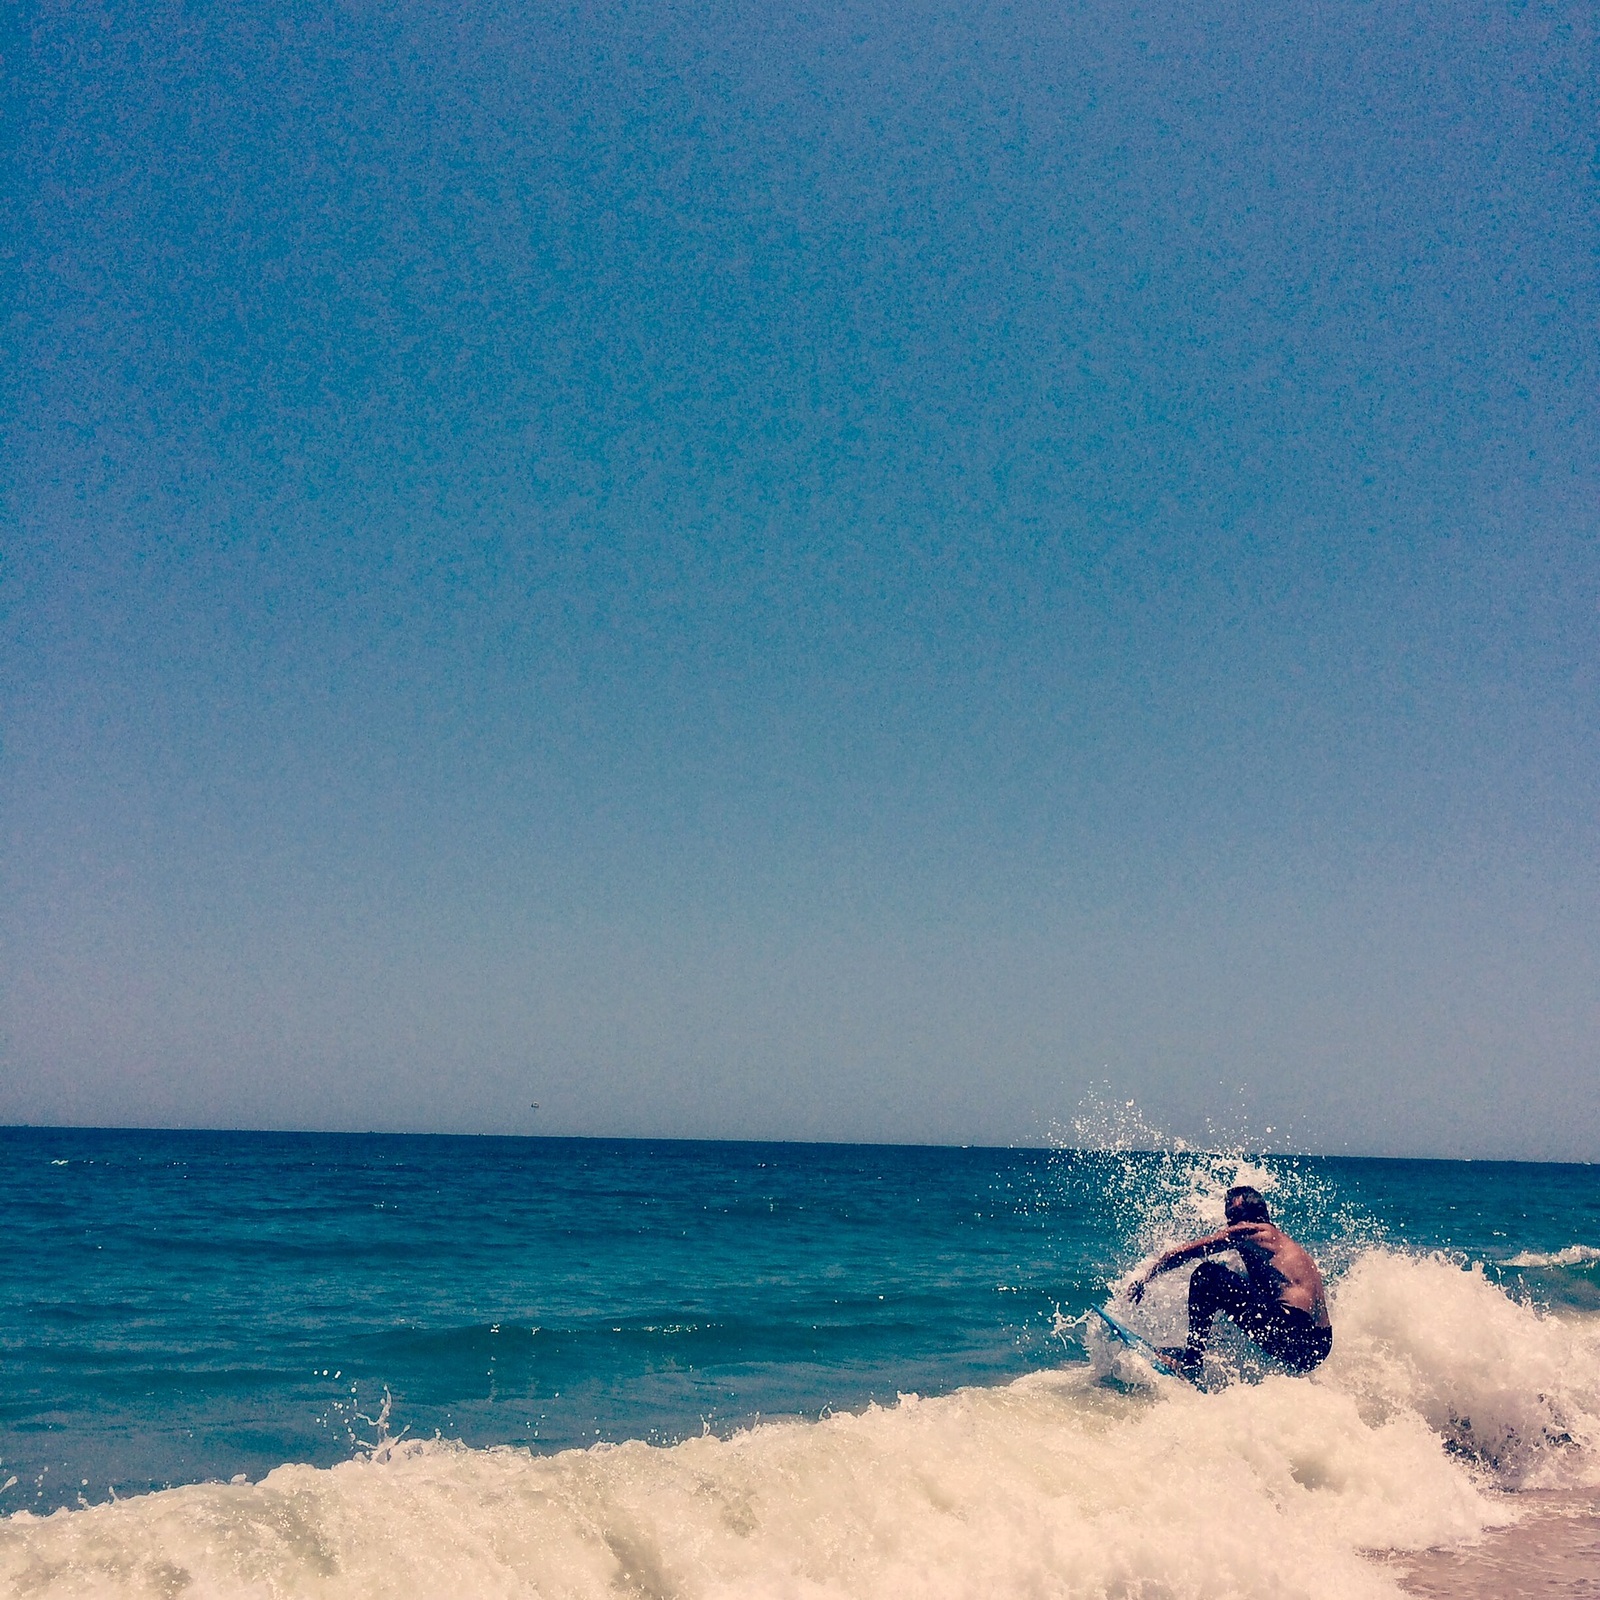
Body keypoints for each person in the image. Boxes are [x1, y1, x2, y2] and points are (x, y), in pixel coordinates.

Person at [1126, 1185, 1332, 1374]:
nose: (1231, 1224)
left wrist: (1146, 1278)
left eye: (1235, 1215)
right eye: (1228, 1217)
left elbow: (1183, 1253)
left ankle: (1191, 1363)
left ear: (1256, 1214)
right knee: (1231, 1290)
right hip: (1317, 1347)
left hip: (1294, 1332)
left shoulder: (1255, 1231)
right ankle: (1202, 1355)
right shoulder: (1279, 1245)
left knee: (1207, 1275)